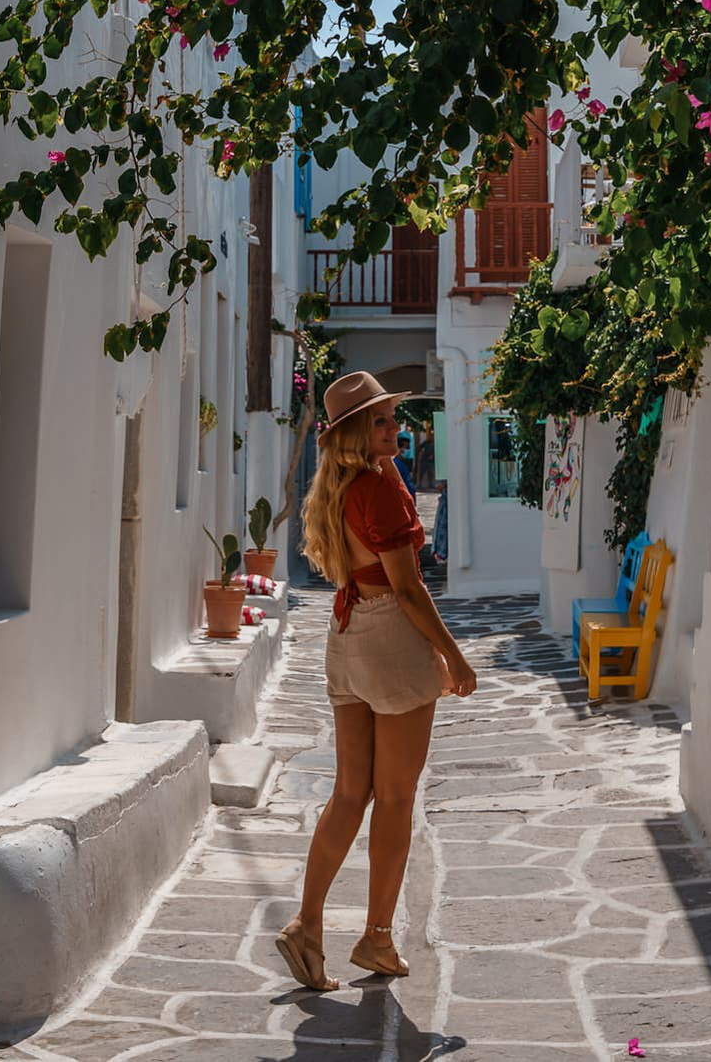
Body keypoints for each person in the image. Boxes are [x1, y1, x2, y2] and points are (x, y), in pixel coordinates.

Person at [276, 371, 477, 992]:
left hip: (347, 636)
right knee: (393, 797)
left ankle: (308, 926)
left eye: (394, 416)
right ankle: (377, 937)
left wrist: (389, 467)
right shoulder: (380, 492)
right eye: (384, 420)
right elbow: (411, 588)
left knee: (348, 793)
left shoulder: (342, 486)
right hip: (390, 636)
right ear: (360, 433)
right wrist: (453, 656)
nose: (398, 426)